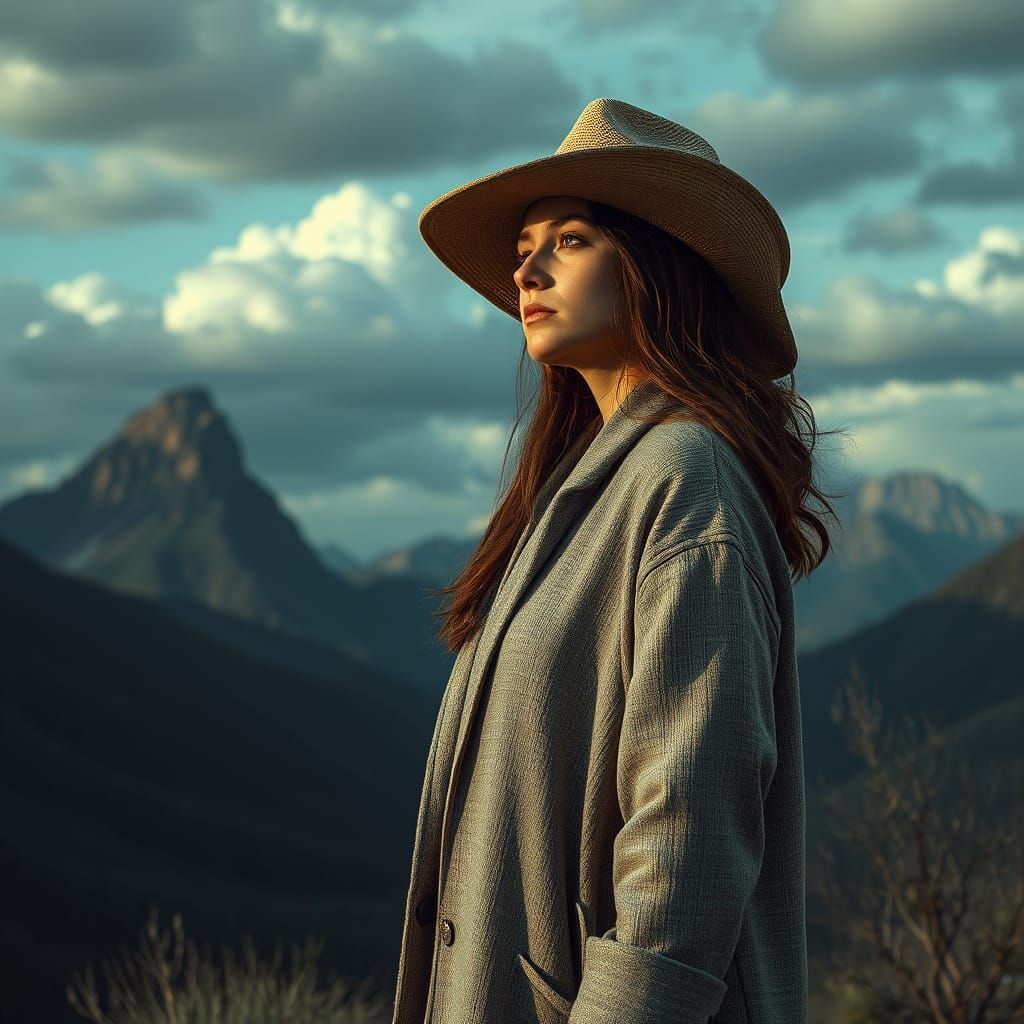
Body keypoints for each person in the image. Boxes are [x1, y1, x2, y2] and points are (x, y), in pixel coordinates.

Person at [390, 97, 839, 1024]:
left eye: (571, 239)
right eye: (524, 244)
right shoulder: (580, 491)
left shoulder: (687, 474)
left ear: (654, 264)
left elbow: (689, 834)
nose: (526, 265)